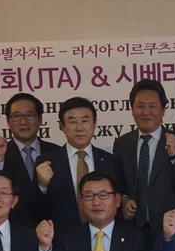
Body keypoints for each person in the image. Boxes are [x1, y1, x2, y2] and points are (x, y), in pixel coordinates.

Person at [36, 171, 153, 251]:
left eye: (103, 195)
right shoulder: (66, 239)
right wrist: (45, 249)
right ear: (81, 203)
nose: (96, 202)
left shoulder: (137, 239)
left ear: (117, 200)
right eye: (89, 196)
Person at [113, 79, 175, 240]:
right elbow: (118, 183)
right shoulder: (122, 144)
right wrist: (124, 200)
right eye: (140, 106)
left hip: (170, 230)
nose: (146, 112)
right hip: (132, 231)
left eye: (152, 106)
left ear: (163, 110)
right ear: (132, 110)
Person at [30, 97, 116, 233]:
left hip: (104, 237)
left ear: (94, 123)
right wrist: (42, 186)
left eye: (85, 121)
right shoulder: (46, 162)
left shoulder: (110, 161)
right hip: (62, 238)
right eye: (72, 122)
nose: (79, 128)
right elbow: (35, 210)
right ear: (62, 126)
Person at [0, 93, 59, 228]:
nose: (23, 122)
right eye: (17, 116)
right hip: (13, 230)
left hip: (52, 228)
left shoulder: (56, 152)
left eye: (29, 115)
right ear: (8, 121)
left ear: (40, 119)